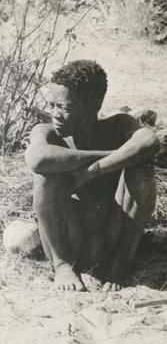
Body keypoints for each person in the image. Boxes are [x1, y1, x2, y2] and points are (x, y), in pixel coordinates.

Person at [24, 60, 160, 292]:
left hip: (112, 237)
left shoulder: (117, 126)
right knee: (44, 175)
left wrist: (94, 170)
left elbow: (149, 141)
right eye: (52, 105)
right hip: (70, 239)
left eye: (65, 107)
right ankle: (62, 265)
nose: (56, 114)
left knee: (141, 168)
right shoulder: (47, 133)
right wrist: (114, 155)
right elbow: (37, 159)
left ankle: (121, 263)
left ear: (94, 104)